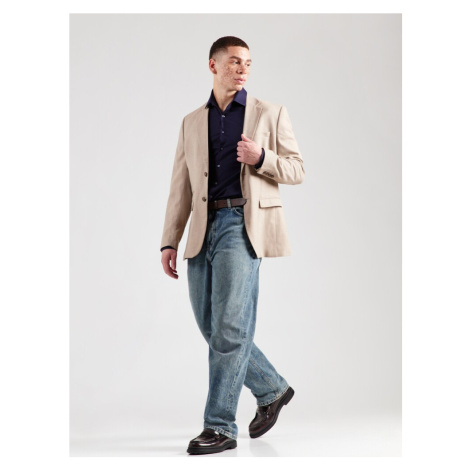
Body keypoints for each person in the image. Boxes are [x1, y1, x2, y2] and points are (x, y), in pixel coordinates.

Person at [160, 36, 305, 455]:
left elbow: (297, 169)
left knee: (229, 328)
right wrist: (169, 240)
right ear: (213, 65)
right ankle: (271, 388)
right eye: (235, 62)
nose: (243, 70)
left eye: (248, 63)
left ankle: (220, 426)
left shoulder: (269, 113)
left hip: (242, 225)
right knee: (211, 324)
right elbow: (181, 186)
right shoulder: (192, 122)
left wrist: (262, 158)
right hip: (202, 227)